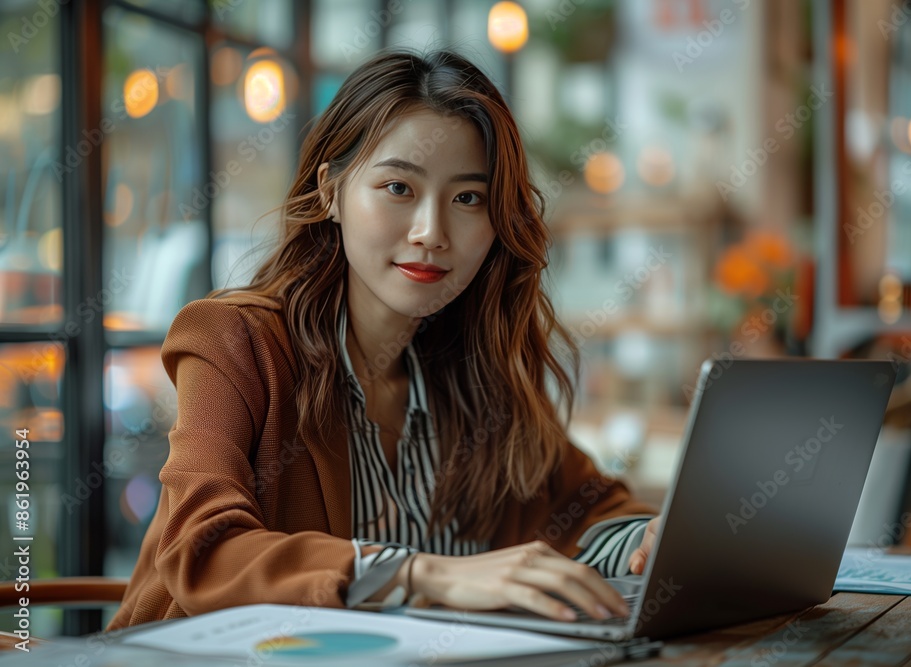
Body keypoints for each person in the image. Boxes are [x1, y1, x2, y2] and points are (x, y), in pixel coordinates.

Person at [107, 49, 661, 631]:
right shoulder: (236, 341)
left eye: (468, 198)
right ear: (331, 191)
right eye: (399, 187)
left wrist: (647, 541)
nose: (431, 232)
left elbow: (589, 510)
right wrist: (424, 574)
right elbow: (203, 552)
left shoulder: (476, 370)